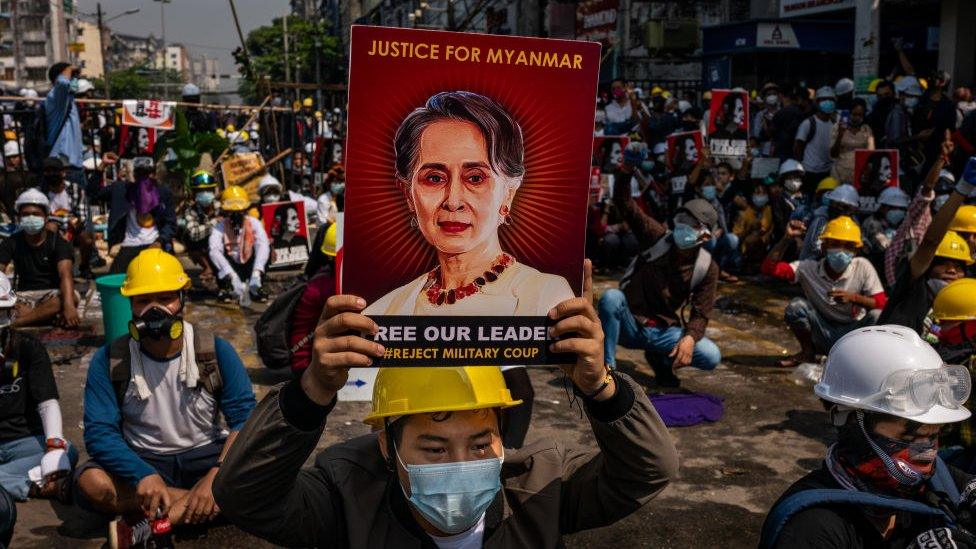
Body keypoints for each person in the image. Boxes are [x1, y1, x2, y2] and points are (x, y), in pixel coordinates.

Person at [213, 262, 680, 547]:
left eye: (480, 444)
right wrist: (311, 391)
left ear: (503, 436)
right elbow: (244, 495)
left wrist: (602, 388)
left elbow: (648, 469)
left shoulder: (541, 487)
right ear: (386, 446)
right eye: (434, 450)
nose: (461, 463)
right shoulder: (344, 496)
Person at [364, 91, 573, 448]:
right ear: (407, 193)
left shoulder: (546, 298)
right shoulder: (385, 312)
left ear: (508, 191)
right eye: (433, 178)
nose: (454, 200)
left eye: (475, 177)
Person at [75, 249, 256, 545]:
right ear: (130, 305)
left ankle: (151, 523)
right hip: (144, 460)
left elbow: (244, 419)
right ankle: (213, 505)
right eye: (144, 300)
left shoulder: (214, 350)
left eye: (165, 298)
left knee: (270, 471)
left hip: (206, 457)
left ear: (182, 300)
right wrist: (142, 473)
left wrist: (215, 476)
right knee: (92, 484)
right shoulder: (111, 359)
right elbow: (99, 432)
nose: (155, 310)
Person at [760, 325, 975, 549]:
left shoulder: (937, 480)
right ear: (853, 422)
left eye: (934, 434)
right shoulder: (811, 530)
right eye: (909, 436)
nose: (927, 453)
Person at [599, 146, 722, 386]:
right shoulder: (657, 236)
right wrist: (627, 170)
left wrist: (690, 338)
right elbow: (624, 203)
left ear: (705, 236)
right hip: (630, 323)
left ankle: (660, 360)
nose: (683, 226)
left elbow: (701, 313)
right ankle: (607, 367)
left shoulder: (707, 266)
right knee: (611, 298)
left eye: (692, 224)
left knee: (710, 355)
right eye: (682, 220)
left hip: (664, 331)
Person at [762, 216, 886, 366]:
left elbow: (881, 303)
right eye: (835, 244)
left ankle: (862, 361)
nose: (841, 251)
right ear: (824, 247)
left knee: (877, 316)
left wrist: (854, 298)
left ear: (855, 251)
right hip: (822, 331)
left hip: (852, 335)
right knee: (796, 307)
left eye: (848, 246)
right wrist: (787, 238)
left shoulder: (863, 266)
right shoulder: (808, 268)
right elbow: (769, 269)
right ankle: (808, 353)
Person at [0, 272, 76, 503]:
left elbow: (47, 401)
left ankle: (8, 482)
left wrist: (53, 446)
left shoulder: (28, 347)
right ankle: (33, 487)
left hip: (25, 441)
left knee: (67, 451)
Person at [0, 189, 79, 327]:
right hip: (23, 296)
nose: (30, 218)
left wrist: (68, 306)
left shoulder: (58, 242)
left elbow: (65, 274)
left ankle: (19, 322)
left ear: (46, 217)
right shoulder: (11, 242)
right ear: (19, 218)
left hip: (51, 294)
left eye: (36, 214)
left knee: (70, 298)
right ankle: (45, 317)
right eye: (25, 214)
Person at [99, 156, 177, 275]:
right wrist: (102, 166)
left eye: (148, 173)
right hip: (129, 244)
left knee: (165, 278)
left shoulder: (163, 192)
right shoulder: (122, 190)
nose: (144, 178)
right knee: (116, 282)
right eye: (140, 174)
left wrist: (160, 241)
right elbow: (93, 193)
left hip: (155, 243)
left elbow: (170, 223)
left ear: (154, 175)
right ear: (133, 175)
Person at [208, 185, 270, 304]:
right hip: (230, 266)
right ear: (225, 212)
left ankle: (257, 286)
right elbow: (214, 250)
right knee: (212, 252)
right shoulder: (219, 227)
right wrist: (231, 275)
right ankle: (226, 287)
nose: (236, 216)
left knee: (267, 247)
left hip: (250, 265)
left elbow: (262, 245)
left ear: (245, 210)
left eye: (239, 212)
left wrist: (257, 272)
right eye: (232, 212)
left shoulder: (253, 223)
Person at [43, 63, 83, 185]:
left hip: (73, 166)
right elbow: (62, 83)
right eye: (72, 74)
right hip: (62, 167)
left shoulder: (68, 100)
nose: (75, 79)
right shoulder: (55, 97)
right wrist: (68, 71)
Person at [799, 182, 860, 261]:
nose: (840, 208)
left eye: (844, 207)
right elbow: (814, 245)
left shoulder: (853, 221)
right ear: (831, 203)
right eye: (837, 204)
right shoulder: (821, 218)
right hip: (812, 262)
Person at [794, 87, 839, 195]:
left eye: (830, 99)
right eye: (824, 99)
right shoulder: (808, 123)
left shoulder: (834, 124)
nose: (827, 102)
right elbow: (798, 145)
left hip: (828, 172)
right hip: (810, 172)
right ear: (817, 102)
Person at [179, 169, 218, 283]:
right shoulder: (190, 211)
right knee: (188, 239)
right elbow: (194, 234)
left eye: (208, 190)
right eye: (201, 191)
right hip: (202, 245)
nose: (205, 194)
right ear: (194, 193)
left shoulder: (221, 207)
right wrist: (215, 222)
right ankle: (207, 267)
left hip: (222, 246)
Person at [861, 186, 910, 268]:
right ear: (882, 207)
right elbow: (883, 246)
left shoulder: (904, 224)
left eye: (901, 209)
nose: (897, 211)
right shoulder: (872, 223)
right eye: (893, 208)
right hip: (875, 265)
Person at [731, 180, 773, 273]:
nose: (761, 195)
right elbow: (737, 236)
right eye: (758, 192)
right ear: (751, 195)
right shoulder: (744, 213)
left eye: (764, 193)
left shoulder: (770, 210)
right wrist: (749, 231)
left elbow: (770, 230)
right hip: (745, 249)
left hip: (767, 246)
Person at [829, 98, 874, 185]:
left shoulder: (867, 129)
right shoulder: (837, 128)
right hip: (839, 175)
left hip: (859, 177)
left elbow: (870, 154)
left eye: (860, 115)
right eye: (854, 114)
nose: (856, 118)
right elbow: (833, 154)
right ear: (848, 113)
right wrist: (840, 135)